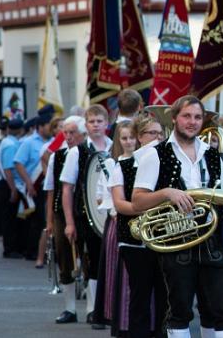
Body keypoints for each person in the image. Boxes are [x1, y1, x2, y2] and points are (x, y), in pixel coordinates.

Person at [131, 95, 223, 338]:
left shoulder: (215, 156)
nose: (192, 122)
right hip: (175, 245)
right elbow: (137, 201)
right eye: (186, 116)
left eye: (197, 117)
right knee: (179, 312)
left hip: (213, 244)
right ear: (174, 118)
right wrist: (167, 193)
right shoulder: (154, 154)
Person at [110, 115, 167, 338]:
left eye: (161, 134)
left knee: (166, 297)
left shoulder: (167, 164)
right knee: (140, 297)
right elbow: (120, 204)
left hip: (162, 238)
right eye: (152, 133)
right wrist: (148, 207)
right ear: (140, 137)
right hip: (134, 241)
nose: (158, 138)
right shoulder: (122, 166)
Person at [60, 105, 113, 327]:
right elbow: (67, 188)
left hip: (109, 213)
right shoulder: (77, 152)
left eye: (100, 121)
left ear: (107, 123)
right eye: (92, 122)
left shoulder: (114, 148)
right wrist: (69, 222)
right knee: (84, 260)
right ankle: (82, 308)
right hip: (84, 214)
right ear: (86, 125)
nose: (96, 125)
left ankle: (98, 308)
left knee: (102, 261)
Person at [96, 121, 136, 334]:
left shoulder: (143, 162)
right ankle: (117, 318)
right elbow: (102, 195)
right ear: (119, 141)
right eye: (124, 138)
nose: (129, 142)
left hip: (140, 221)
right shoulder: (113, 164)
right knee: (117, 273)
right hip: (118, 220)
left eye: (132, 137)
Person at [47, 115, 87, 324]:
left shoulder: (91, 151)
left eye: (73, 133)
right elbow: (52, 191)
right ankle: (70, 308)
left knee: (88, 257)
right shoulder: (58, 156)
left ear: (82, 134)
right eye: (66, 132)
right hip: (62, 213)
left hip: (86, 212)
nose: (69, 137)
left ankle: (91, 308)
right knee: (64, 257)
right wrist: (50, 222)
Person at [12, 114, 54, 264]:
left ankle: (44, 252)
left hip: (48, 186)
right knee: (36, 221)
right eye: (49, 126)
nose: (52, 129)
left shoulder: (53, 142)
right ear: (40, 127)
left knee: (45, 220)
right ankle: (31, 251)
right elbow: (18, 163)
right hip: (34, 186)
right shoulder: (29, 142)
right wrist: (29, 183)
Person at [0, 119, 26, 257]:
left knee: (13, 217)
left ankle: (14, 247)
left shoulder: (8, 141)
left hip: (9, 183)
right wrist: (13, 189)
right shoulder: (10, 145)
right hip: (10, 184)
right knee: (10, 218)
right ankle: (10, 249)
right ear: (20, 130)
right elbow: (8, 169)